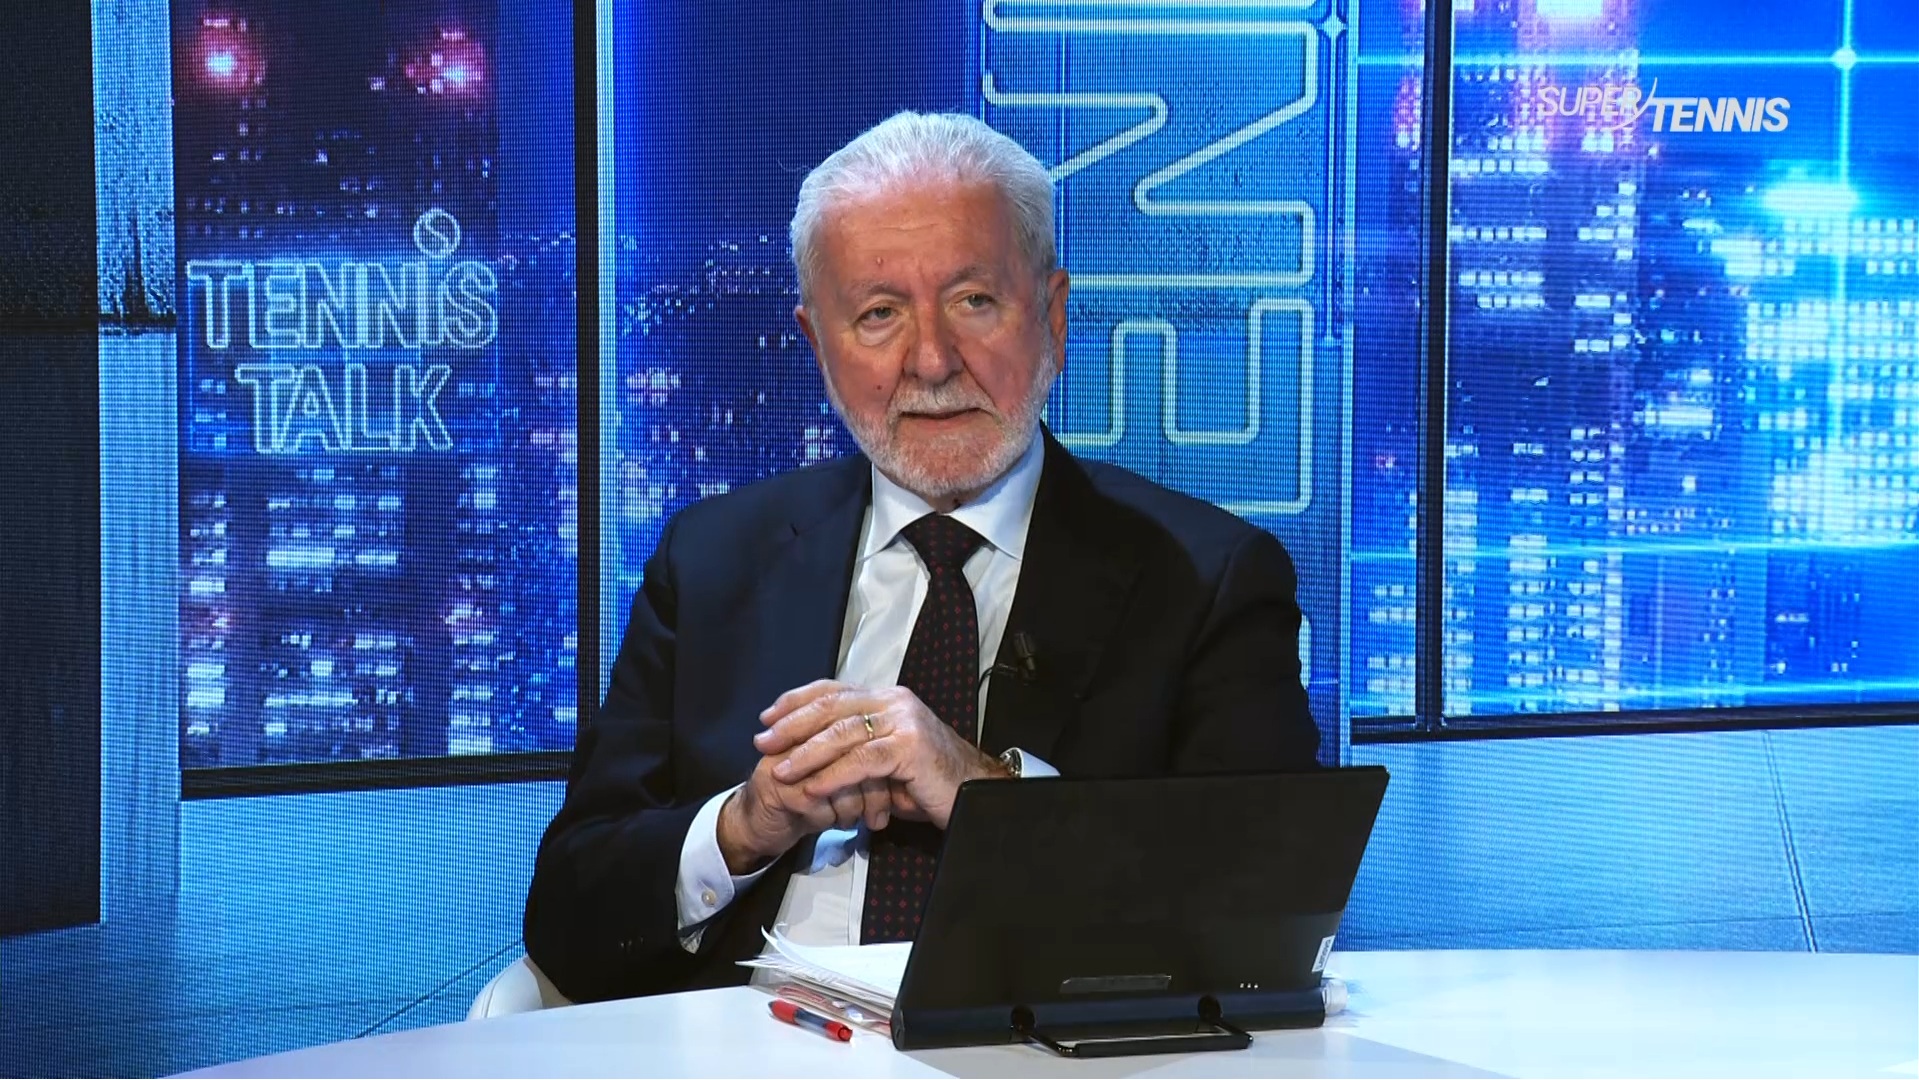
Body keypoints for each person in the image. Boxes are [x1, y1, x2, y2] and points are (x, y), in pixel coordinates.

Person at [524, 111, 1320, 1003]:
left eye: (974, 300)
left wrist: (986, 795)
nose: (932, 362)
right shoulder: (711, 559)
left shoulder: (1209, 578)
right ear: (817, 345)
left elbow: (1264, 916)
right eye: (877, 315)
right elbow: (567, 915)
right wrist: (744, 827)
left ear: (1052, 317)